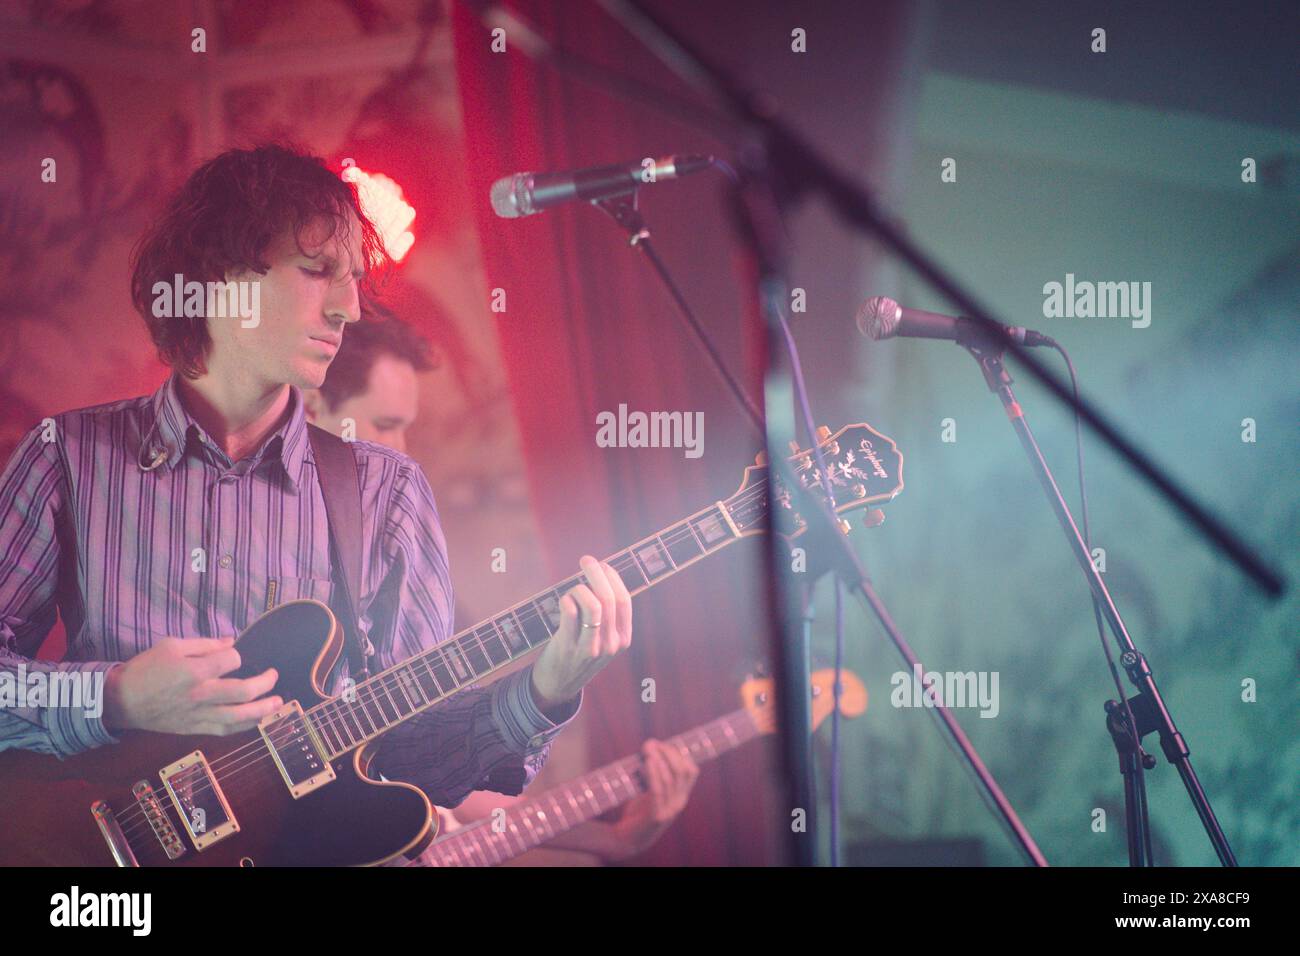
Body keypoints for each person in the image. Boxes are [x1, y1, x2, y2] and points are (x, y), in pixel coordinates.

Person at [0, 145, 630, 839]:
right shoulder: (67, 456)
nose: (350, 308)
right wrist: (114, 697)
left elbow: (410, 754)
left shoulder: (387, 492)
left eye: (355, 279)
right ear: (218, 274)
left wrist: (548, 689)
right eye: (317, 271)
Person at [305, 310, 700, 863]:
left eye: (407, 427)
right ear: (313, 406)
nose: (403, 449)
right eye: (386, 423)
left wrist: (610, 839)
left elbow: (448, 787)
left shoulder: (407, 580)